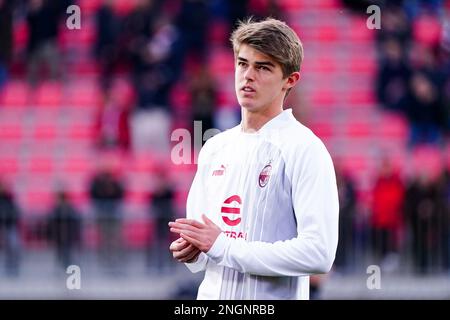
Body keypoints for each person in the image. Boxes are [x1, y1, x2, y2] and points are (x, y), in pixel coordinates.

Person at [168, 17, 339, 300]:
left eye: (263, 67)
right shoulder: (215, 148)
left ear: (290, 80)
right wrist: (192, 252)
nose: (248, 75)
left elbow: (319, 254)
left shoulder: (306, 149)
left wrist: (224, 247)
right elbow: (204, 251)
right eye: (242, 63)